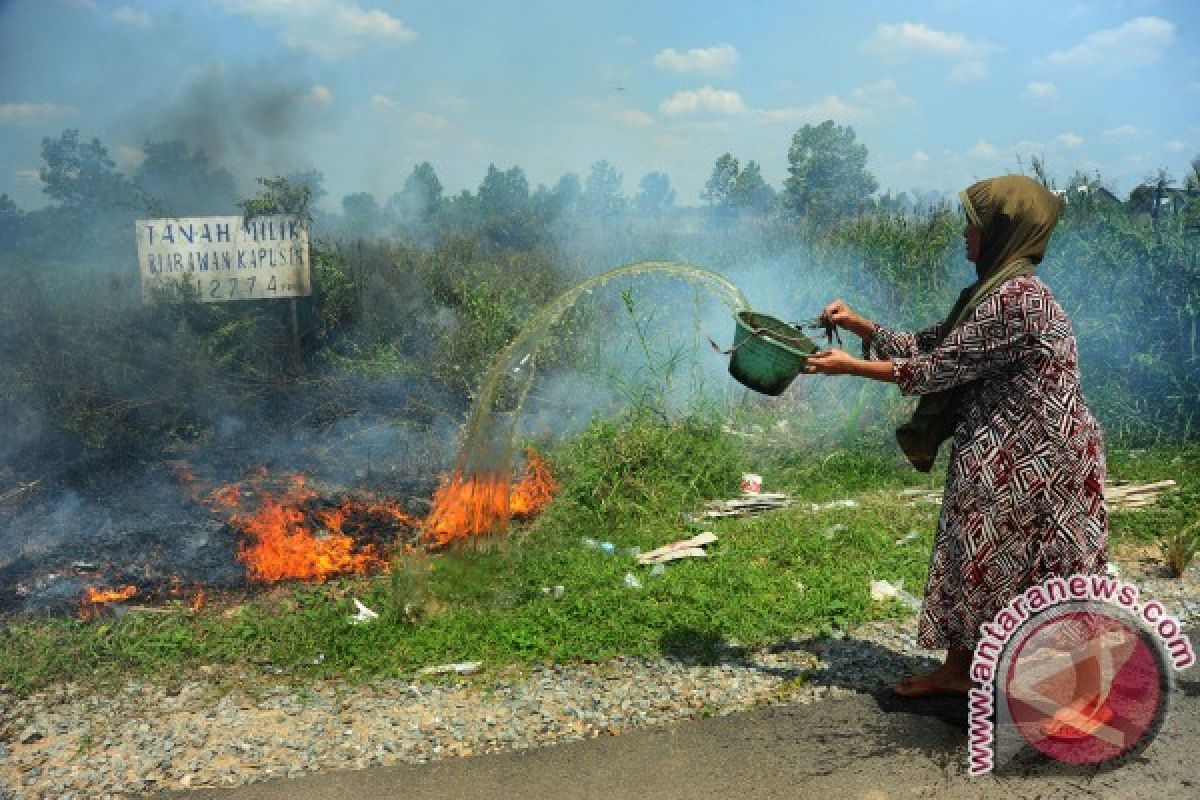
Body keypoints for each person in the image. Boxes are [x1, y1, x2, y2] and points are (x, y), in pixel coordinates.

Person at [805, 175, 1109, 725]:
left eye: (975, 223)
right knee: (971, 558)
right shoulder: (990, 291)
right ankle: (961, 667)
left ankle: (1088, 692)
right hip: (1004, 453)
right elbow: (933, 342)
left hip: (1047, 459)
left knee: (1060, 569)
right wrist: (861, 326)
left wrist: (850, 366)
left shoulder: (1020, 299)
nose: (965, 234)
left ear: (1002, 230)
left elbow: (936, 369)